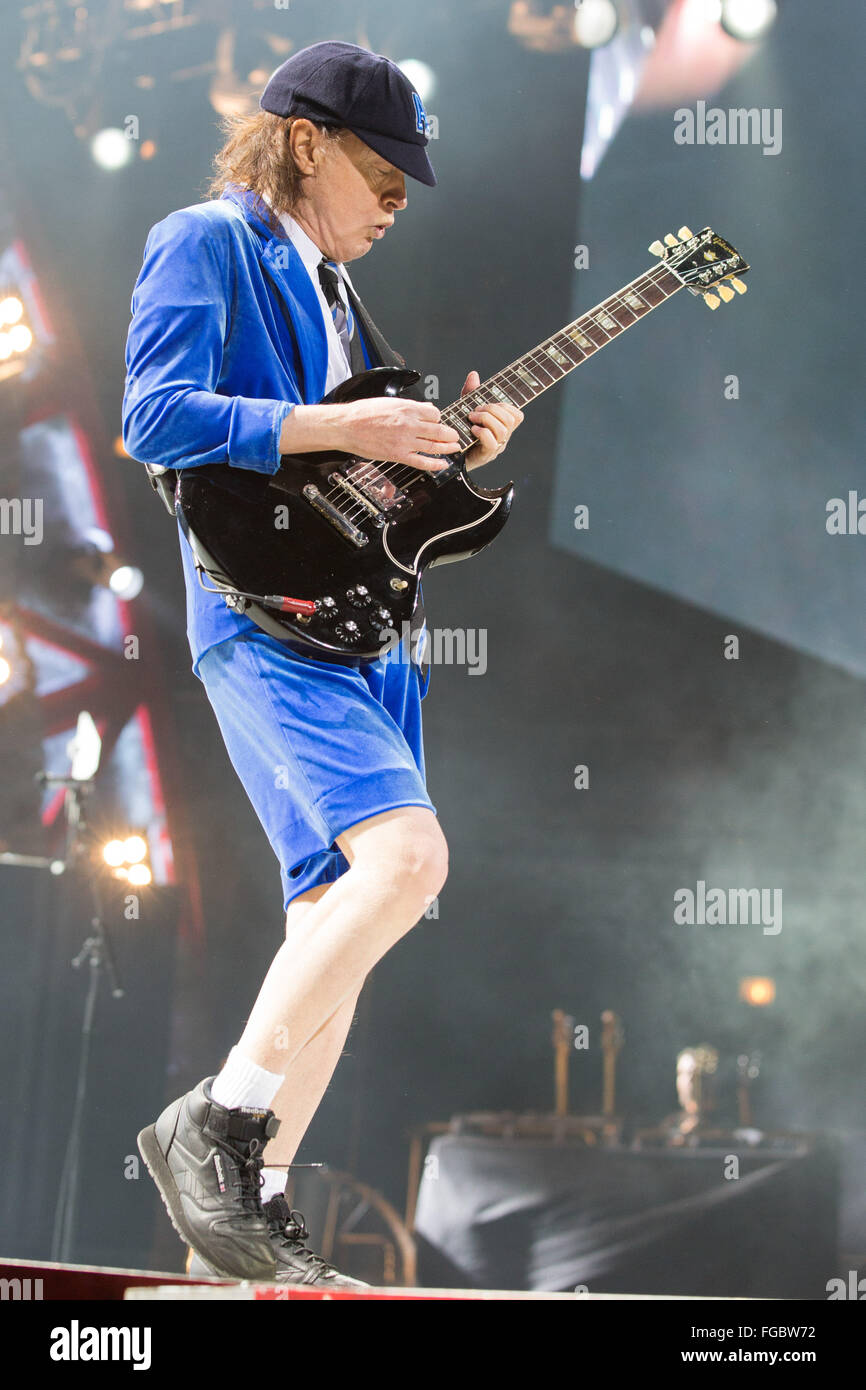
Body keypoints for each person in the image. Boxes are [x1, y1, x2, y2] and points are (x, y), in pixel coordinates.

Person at [122, 40, 523, 1286]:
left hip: (365, 629)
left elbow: (356, 491)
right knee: (409, 862)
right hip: (265, 615)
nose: (398, 204)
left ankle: (245, 1244)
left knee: (330, 926)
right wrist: (342, 422)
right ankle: (217, 1121)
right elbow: (154, 415)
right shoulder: (205, 239)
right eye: (383, 176)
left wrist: (453, 450)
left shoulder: (337, 291)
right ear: (305, 142)